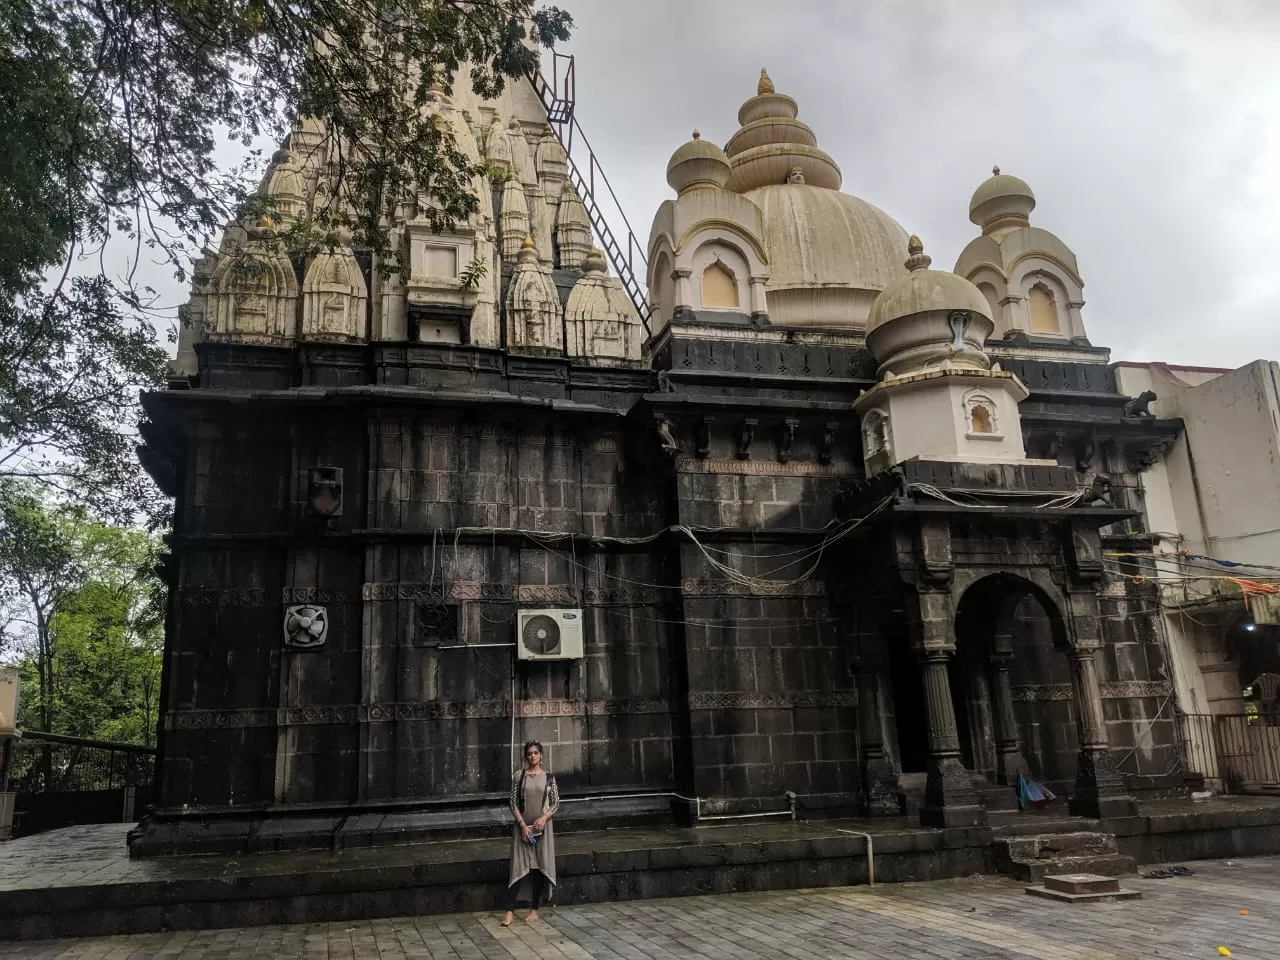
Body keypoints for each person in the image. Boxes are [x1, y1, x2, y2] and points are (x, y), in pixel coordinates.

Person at [502, 739, 559, 926]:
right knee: (518, 867)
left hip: (542, 829)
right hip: (523, 829)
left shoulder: (549, 778)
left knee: (539, 868)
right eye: (529, 753)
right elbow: (513, 803)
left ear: (541, 755)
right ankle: (509, 911)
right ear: (526, 756)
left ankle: (535, 909)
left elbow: (556, 802)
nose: (532, 756)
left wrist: (543, 819)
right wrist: (522, 826)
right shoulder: (519, 776)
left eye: (535, 753)